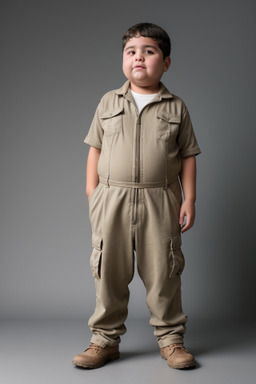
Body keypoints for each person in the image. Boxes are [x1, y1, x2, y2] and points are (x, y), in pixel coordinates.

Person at [72, 22, 201, 370]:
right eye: (131, 52)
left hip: (160, 199)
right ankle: (104, 340)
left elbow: (187, 155)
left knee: (164, 272)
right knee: (109, 271)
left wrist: (188, 199)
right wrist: (92, 192)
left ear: (166, 62)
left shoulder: (176, 107)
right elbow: (94, 147)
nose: (139, 58)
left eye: (149, 51)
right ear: (123, 60)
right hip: (111, 198)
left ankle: (172, 340)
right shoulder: (108, 101)